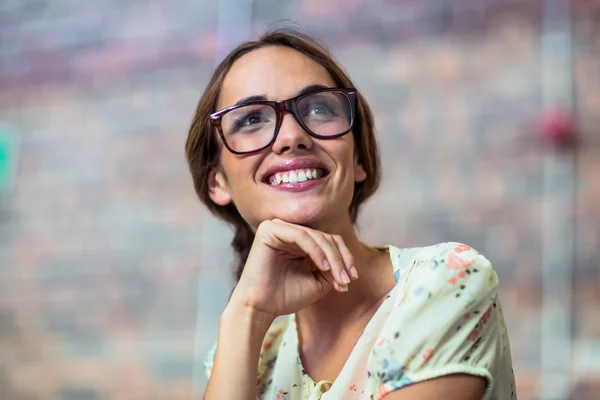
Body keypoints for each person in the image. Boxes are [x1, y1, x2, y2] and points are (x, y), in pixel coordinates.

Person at [186, 28, 515, 400]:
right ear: (218, 183)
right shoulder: (246, 352)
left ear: (357, 158)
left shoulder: (445, 281)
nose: (291, 135)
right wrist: (244, 314)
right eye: (250, 120)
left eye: (319, 108)